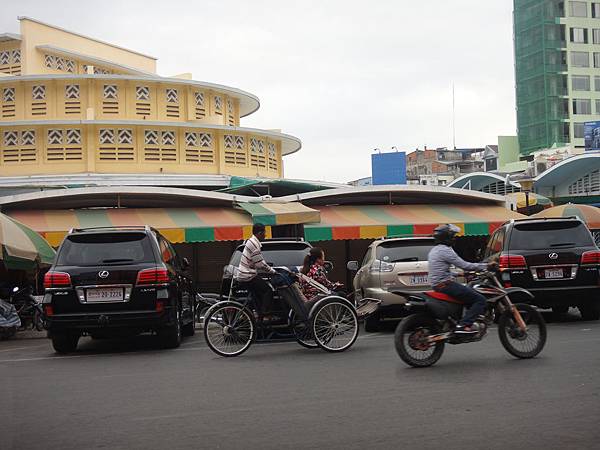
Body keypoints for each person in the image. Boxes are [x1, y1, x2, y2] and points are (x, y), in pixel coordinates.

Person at [428, 224, 495, 334]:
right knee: (480, 300)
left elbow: (441, 271)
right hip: (446, 285)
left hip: (438, 285)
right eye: (452, 236)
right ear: (447, 237)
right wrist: (486, 266)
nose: (454, 238)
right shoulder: (446, 250)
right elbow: (465, 265)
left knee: (468, 293)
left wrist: (461, 274)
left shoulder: (434, 251)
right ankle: (464, 325)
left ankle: (463, 320)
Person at [234, 223, 276, 320]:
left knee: (257, 294)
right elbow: (260, 264)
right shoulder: (254, 244)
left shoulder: (252, 242)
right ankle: (266, 315)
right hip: (248, 275)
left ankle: (259, 314)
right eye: (264, 232)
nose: (265, 235)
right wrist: (272, 271)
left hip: (246, 274)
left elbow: (259, 261)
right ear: (260, 233)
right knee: (267, 290)